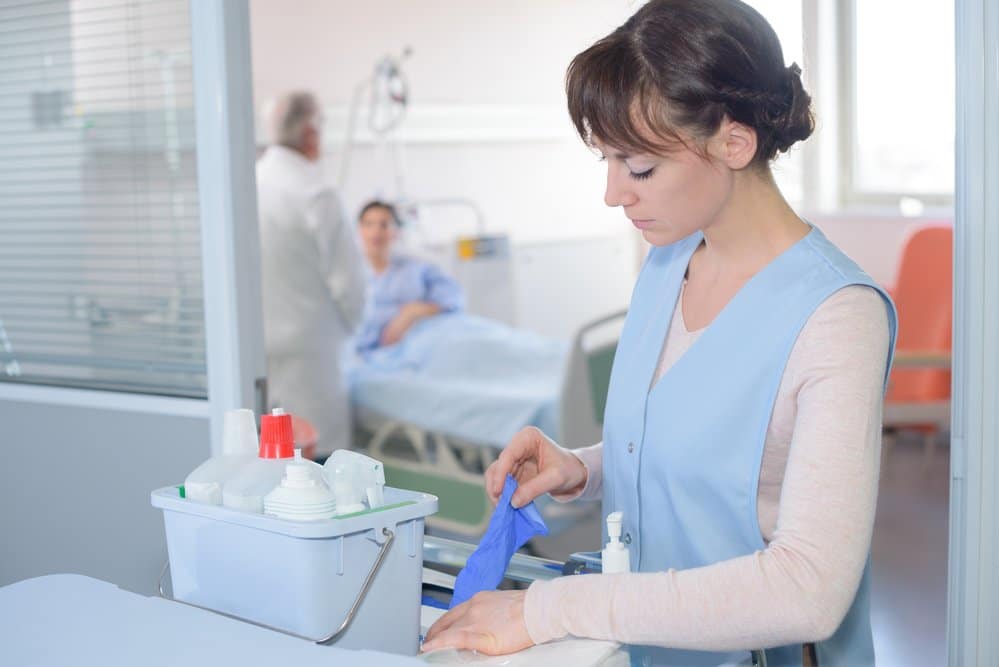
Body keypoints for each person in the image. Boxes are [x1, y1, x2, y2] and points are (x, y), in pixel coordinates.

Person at [422, 1, 896, 665]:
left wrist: (545, 609)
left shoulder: (836, 316)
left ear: (733, 143)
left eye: (638, 167)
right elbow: (706, 449)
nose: (615, 193)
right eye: (606, 162)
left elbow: (807, 588)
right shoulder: (668, 260)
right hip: (643, 646)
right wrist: (582, 466)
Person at [256, 91, 368, 456]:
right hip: (311, 357)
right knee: (318, 467)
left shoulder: (249, 184)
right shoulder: (317, 194)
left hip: (258, 351)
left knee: (271, 465)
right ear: (310, 133)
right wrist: (355, 336)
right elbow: (350, 289)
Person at [354, 200, 465, 352]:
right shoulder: (348, 275)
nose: (376, 231)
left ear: (396, 232)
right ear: (359, 229)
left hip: (417, 346)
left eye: (384, 224)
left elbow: (453, 298)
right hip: (364, 353)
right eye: (369, 224)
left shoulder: (416, 269)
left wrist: (412, 312)